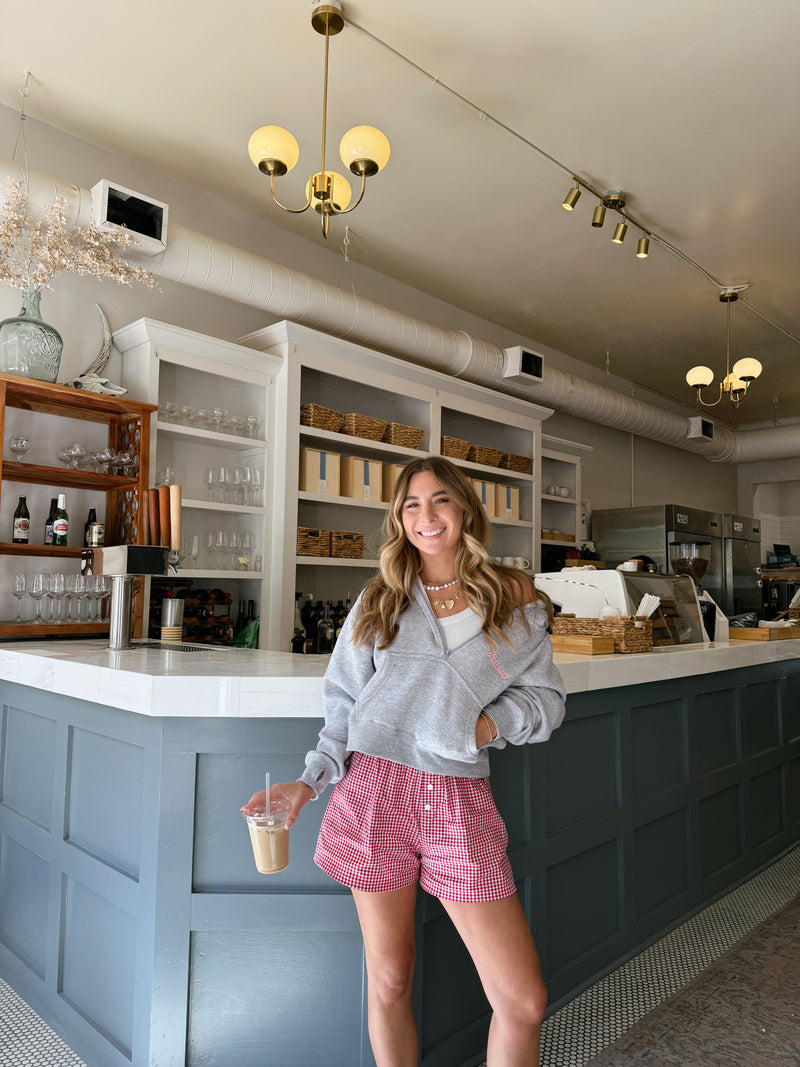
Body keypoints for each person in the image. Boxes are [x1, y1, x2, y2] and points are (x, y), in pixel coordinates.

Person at [242, 455, 566, 1066]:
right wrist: (306, 783)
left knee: (522, 1000)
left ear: (465, 508)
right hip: (372, 792)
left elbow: (546, 699)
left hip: (455, 796)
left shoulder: (512, 593)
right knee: (389, 981)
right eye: (412, 505)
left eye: (441, 500)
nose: (427, 516)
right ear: (399, 519)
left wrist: (486, 724)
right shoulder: (381, 598)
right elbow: (343, 704)